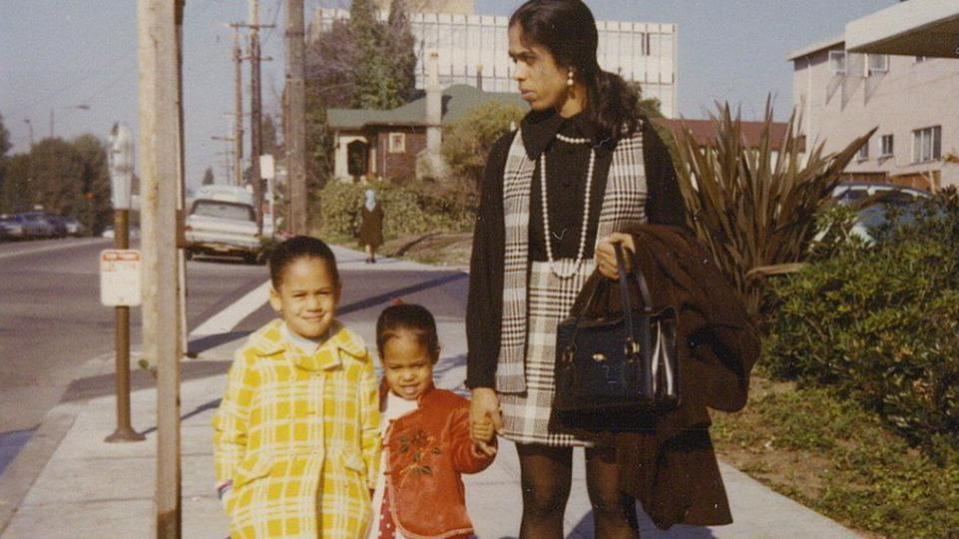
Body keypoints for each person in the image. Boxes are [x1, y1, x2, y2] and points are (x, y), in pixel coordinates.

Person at [465, 1, 688, 537]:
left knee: (613, 503)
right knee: (541, 500)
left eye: (528, 58)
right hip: (531, 342)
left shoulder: (637, 142)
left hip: (614, 337)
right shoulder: (511, 152)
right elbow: (487, 270)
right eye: (513, 58)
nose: (516, 73)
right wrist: (481, 382)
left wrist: (633, 252)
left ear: (569, 63)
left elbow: (681, 245)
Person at [213, 235, 380, 538]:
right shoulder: (255, 356)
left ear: (338, 292)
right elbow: (230, 429)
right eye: (299, 295)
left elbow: (370, 432)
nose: (313, 305)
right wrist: (230, 493)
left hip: (338, 512)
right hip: (268, 513)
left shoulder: (355, 357)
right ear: (277, 298)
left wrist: (367, 492)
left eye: (323, 293)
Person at [368, 303, 496, 539]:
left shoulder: (450, 409)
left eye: (418, 365)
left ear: (435, 355)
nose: (407, 376)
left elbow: (466, 457)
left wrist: (480, 439)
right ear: (382, 359)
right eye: (396, 367)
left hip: (431, 526)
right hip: (377, 519)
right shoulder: (371, 405)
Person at [359, 189, 384, 263]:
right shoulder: (378, 205)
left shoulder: (364, 206)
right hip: (376, 226)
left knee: (367, 242)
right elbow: (382, 215)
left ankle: (368, 257)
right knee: (374, 242)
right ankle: (372, 256)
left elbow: (362, 215)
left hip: (366, 226)